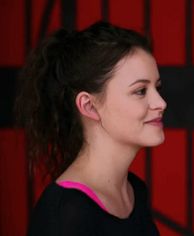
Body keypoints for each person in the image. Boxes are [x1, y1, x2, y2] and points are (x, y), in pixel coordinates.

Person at [16, 21, 166, 236]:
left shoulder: (135, 191)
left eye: (157, 88)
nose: (161, 103)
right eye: (141, 91)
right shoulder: (65, 214)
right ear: (89, 106)